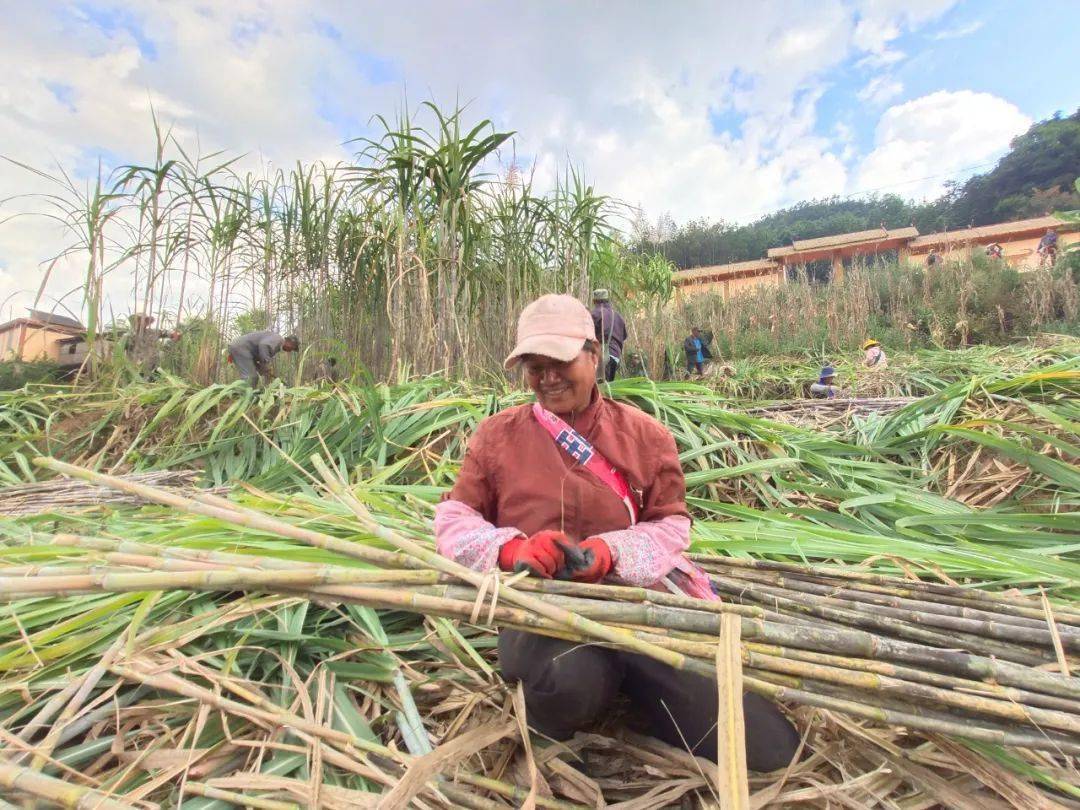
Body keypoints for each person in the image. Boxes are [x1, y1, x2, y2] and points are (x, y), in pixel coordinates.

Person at [435, 294, 799, 770]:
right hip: (542, 614)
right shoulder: (497, 437)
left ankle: (640, 692)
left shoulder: (645, 435)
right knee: (573, 681)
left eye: (560, 362)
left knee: (770, 748)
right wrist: (514, 550)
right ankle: (556, 738)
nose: (547, 378)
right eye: (534, 366)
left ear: (593, 353)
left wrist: (611, 553)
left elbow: (671, 526)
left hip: (636, 608)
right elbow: (454, 520)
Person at [227, 330, 299, 386]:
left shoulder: (276, 343)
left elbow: (257, 354)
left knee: (254, 376)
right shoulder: (278, 339)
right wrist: (266, 364)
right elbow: (263, 345)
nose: (291, 350)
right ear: (290, 342)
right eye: (293, 348)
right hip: (241, 348)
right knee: (251, 377)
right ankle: (245, 398)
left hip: (242, 349)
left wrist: (260, 367)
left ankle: (245, 395)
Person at [590, 289, 627, 383]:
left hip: (601, 358)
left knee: (598, 390)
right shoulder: (618, 316)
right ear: (607, 300)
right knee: (608, 388)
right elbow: (624, 336)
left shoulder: (594, 314)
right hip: (615, 356)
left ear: (594, 301)